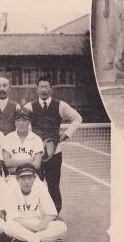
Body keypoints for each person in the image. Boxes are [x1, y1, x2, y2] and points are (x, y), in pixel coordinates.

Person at [23, 77, 82, 214]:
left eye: (46, 87)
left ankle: (55, 214)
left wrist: (66, 135)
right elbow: (20, 125)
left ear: (51, 89)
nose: (43, 90)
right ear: (37, 89)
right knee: (34, 184)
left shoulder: (60, 105)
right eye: (41, 87)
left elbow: (77, 119)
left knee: (53, 185)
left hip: (55, 153)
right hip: (35, 154)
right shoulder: (29, 106)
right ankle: (33, 213)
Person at [0, 164, 67, 242]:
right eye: (23, 178)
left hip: (38, 223)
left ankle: (23, 240)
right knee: (8, 226)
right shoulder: (10, 188)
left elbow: (51, 214)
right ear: (17, 179)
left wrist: (41, 225)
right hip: (21, 224)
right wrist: (34, 228)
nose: (26, 182)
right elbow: (13, 218)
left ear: (34, 178)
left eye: (29, 178)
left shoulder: (41, 187)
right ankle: (44, 240)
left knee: (61, 226)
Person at [2, 108, 44, 178]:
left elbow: (37, 165)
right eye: (18, 120)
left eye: (24, 120)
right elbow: (7, 163)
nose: (21, 123)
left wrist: (13, 167)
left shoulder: (37, 139)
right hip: (13, 177)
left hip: (31, 177)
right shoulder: (7, 138)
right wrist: (29, 160)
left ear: (29, 122)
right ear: (15, 122)